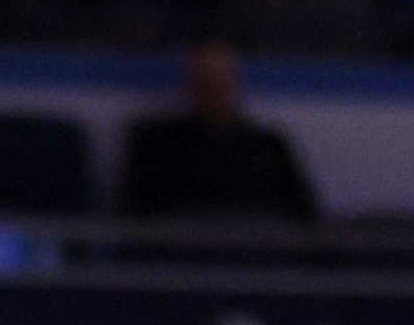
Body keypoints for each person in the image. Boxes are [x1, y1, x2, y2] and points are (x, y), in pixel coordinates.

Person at [119, 44, 319, 223]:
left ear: (235, 82)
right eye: (205, 78)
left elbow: (303, 216)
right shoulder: (157, 144)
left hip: (254, 258)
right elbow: (139, 215)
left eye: (221, 79)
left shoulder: (267, 147)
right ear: (191, 82)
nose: (214, 88)